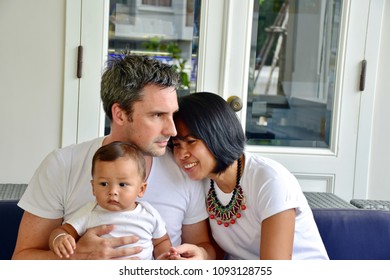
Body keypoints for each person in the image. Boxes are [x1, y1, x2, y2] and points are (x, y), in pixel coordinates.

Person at [13, 53, 215, 260]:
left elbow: (204, 248)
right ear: (119, 114)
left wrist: (200, 258)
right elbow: (19, 262)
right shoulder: (62, 166)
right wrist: (75, 260)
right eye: (157, 115)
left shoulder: (184, 166)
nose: (172, 130)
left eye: (172, 114)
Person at [169, 92, 329, 260]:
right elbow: (217, 252)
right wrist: (201, 255)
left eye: (191, 141)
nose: (181, 154)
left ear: (217, 134)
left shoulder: (270, 180)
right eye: (176, 145)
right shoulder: (202, 181)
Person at [49, 141, 172, 260]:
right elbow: (62, 231)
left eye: (122, 184)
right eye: (104, 183)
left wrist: (166, 258)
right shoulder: (90, 212)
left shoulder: (149, 213)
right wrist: (60, 239)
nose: (113, 191)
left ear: (141, 189)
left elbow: (161, 242)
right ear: (93, 187)